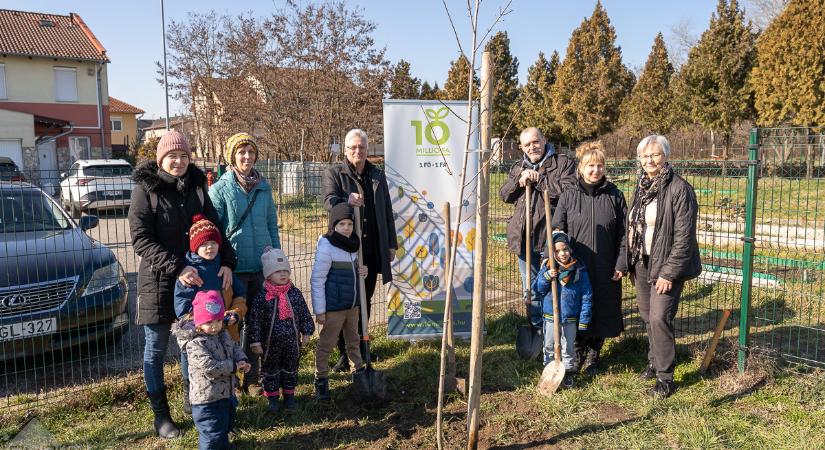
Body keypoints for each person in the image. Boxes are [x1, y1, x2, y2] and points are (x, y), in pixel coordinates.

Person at [130, 130, 236, 439]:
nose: (178, 161)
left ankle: (197, 402)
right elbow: (141, 240)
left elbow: (215, 229)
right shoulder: (145, 190)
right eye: (172, 156)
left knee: (195, 344)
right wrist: (178, 267)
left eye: (184, 156)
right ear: (161, 158)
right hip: (159, 282)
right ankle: (161, 416)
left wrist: (228, 261)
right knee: (156, 349)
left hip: (197, 284)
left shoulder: (197, 186)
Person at [627, 135, 701, 398]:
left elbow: (684, 237)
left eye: (655, 155)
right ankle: (654, 362)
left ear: (666, 156)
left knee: (659, 318)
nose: (650, 160)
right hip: (643, 262)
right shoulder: (642, 186)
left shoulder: (680, 189)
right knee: (647, 317)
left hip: (666, 266)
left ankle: (666, 378)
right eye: (645, 156)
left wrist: (669, 272)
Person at [210, 132, 281, 396]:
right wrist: (219, 263)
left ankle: (251, 378)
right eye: (242, 152)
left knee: (255, 324)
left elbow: (271, 224)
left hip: (260, 267)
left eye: (251, 152)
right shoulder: (220, 189)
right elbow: (215, 231)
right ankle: (230, 380)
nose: (247, 157)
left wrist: (276, 261)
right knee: (229, 325)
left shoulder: (264, 187)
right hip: (233, 270)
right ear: (232, 156)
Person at [321, 129, 396, 371]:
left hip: (372, 249)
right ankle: (345, 353)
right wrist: (346, 202)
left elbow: (386, 210)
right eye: (353, 148)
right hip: (346, 251)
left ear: (367, 149)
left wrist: (391, 243)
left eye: (362, 147)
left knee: (365, 299)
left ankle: (362, 348)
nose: (358, 152)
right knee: (347, 303)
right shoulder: (335, 174)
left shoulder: (376, 175)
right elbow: (328, 202)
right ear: (345, 150)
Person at [551, 142, 627, 376]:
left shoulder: (615, 195)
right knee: (574, 307)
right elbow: (557, 228)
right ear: (581, 168)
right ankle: (576, 352)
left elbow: (625, 233)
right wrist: (557, 250)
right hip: (576, 266)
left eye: (600, 165)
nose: (596, 170)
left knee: (602, 308)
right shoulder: (569, 195)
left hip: (606, 264)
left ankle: (594, 355)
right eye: (590, 165)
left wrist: (622, 262)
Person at [499, 127, 577, 327]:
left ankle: (558, 326)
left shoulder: (563, 163)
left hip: (551, 238)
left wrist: (539, 180)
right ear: (521, 147)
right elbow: (505, 195)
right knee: (532, 286)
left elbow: (569, 191)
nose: (532, 147)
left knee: (557, 283)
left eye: (536, 142)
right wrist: (519, 180)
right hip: (524, 238)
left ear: (544, 140)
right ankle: (537, 326)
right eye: (527, 144)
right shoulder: (518, 166)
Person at [173, 214, 248, 414]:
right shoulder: (190, 273)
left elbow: (240, 294)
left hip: (224, 332)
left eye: (214, 242)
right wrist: (199, 321)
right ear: (194, 245)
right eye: (204, 243)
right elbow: (181, 306)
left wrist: (235, 313)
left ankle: (229, 403)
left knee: (225, 366)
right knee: (194, 367)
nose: (210, 247)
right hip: (199, 334)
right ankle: (193, 402)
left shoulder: (224, 268)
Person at [172, 290, 250, 450]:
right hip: (206, 399)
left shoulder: (222, 334)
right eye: (209, 322)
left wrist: (241, 359)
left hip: (225, 393)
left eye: (218, 321)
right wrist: (233, 367)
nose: (214, 326)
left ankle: (224, 446)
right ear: (199, 322)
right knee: (211, 433)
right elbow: (209, 367)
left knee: (224, 425)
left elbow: (234, 347)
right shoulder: (195, 343)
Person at [310, 203, 368, 401]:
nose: (346, 228)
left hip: (352, 305)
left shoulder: (354, 244)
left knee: (354, 340)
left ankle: (358, 374)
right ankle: (321, 380)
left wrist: (363, 271)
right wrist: (320, 310)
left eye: (350, 224)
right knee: (326, 343)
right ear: (333, 225)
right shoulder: (327, 246)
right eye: (341, 223)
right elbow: (317, 279)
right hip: (334, 307)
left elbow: (356, 271)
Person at [247, 247, 314, 414]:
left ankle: (290, 398)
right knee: (270, 371)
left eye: (285, 270)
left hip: (292, 343)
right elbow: (254, 320)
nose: (283, 274)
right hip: (270, 345)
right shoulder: (262, 297)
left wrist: (307, 332)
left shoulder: (294, 293)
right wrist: (255, 341)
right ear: (268, 275)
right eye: (278, 272)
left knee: (291, 368)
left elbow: (303, 313)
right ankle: (273, 399)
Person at [533, 231, 593, 388]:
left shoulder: (579, 269)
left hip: (569, 318)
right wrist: (547, 277)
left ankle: (567, 373)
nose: (562, 253)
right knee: (549, 345)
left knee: (568, 347)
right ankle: (549, 371)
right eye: (557, 251)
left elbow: (587, 295)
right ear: (552, 252)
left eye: (565, 249)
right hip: (550, 316)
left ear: (570, 249)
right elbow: (538, 289)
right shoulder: (547, 267)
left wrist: (584, 320)